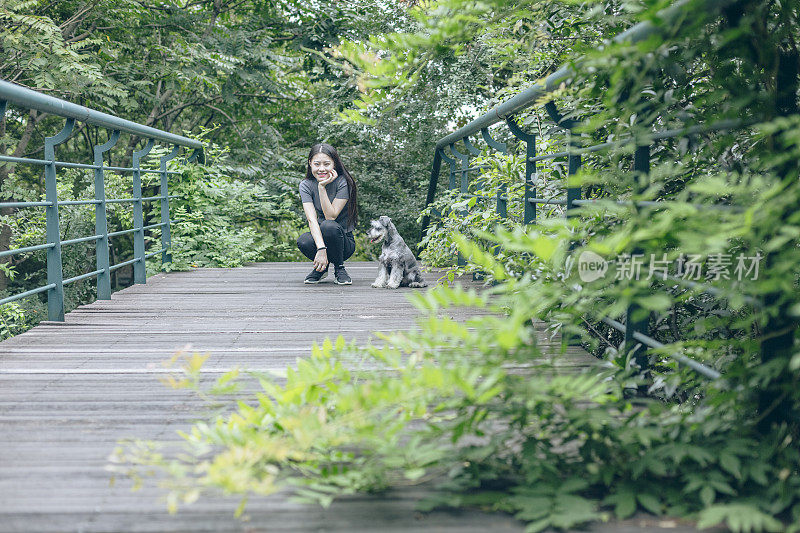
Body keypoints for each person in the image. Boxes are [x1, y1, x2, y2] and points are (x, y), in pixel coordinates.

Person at [296, 143, 358, 285]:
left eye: (326, 164)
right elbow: (312, 220)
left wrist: (322, 188)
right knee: (303, 241)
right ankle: (321, 269)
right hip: (322, 240)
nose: (321, 169)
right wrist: (321, 248)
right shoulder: (305, 185)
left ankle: (339, 268)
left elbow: (331, 216)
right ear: (310, 163)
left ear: (334, 164)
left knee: (328, 225)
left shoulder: (344, 182)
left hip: (343, 243)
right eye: (317, 164)